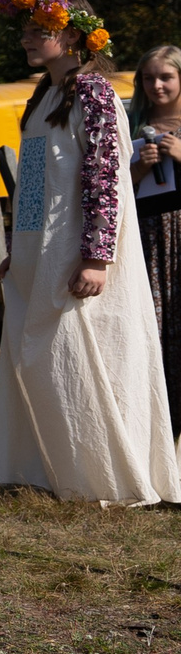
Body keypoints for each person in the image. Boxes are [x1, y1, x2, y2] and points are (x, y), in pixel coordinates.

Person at [0, 0, 179, 504]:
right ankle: (47, 470)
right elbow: (33, 180)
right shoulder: (44, 94)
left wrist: (96, 255)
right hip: (39, 249)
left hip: (75, 249)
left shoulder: (93, 93)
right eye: (25, 29)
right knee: (40, 358)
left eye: (37, 29)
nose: (25, 38)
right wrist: (19, 246)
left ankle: (100, 476)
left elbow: (104, 177)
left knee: (80, 352)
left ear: (71, 35)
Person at [132, 44, 181, 433]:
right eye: (149, 78)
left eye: (166, 77)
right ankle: (161, 421)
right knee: (154, 323)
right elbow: (111, 189)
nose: (157, 85)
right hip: (147, 235)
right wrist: (138, 168)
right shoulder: (132, 124)